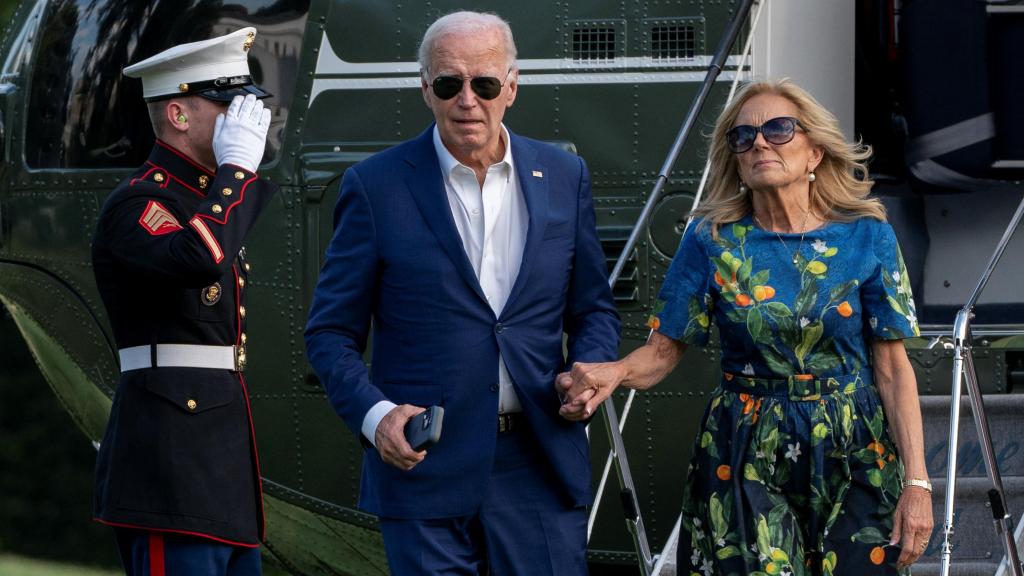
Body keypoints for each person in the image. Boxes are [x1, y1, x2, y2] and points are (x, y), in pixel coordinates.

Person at [560, 79, 933, 575]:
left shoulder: (867, 237)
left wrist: (918, 483)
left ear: (815, 153)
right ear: (734, 158)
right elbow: (663, 351)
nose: (759, 142)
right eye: (743, 136)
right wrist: (614, 372)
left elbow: (892, 367)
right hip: (746, 447)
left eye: (779, 129)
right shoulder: (710, 240)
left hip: (854, 449)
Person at [304, 11, 620, 574]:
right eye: (449, 84)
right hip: (424, 469)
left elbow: (593, 307)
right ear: (426, 90)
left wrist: (590, 369)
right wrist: (376, 418)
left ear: (512, 87)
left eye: (485, 84)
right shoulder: (374, 187)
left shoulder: (565, 176)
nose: (467, 100)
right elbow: (330, 333)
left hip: (538, 464)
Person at [91, 27, 276, 576]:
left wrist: (226, 182)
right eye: (225, 105)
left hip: (219, 463)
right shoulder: (139, 204)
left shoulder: (203, 202)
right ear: (178, 114)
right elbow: (196, 256)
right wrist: (237, 170)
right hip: (168, 462)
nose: (241, 120)